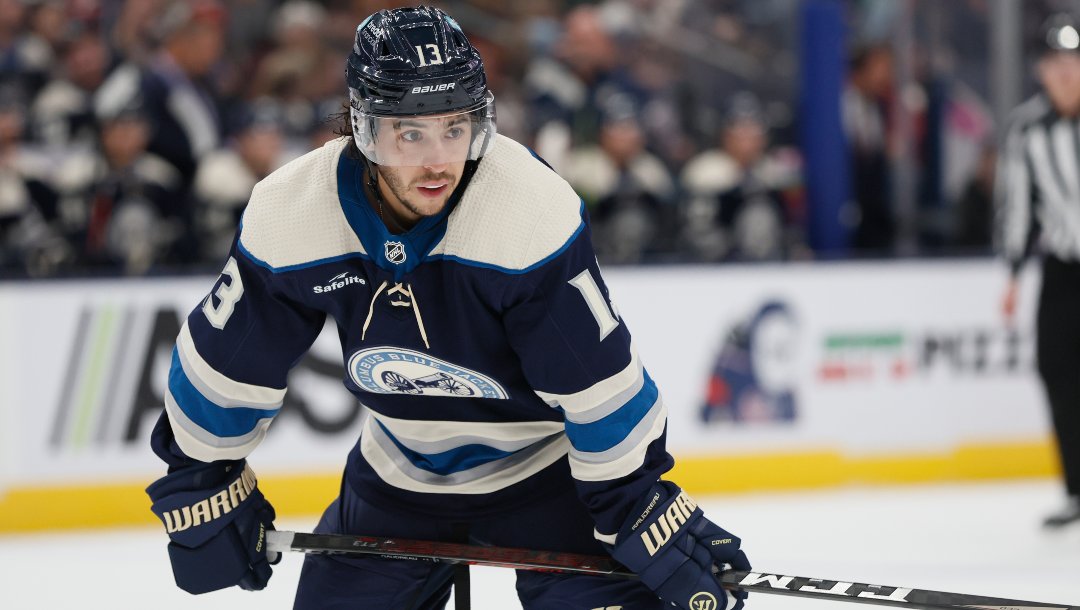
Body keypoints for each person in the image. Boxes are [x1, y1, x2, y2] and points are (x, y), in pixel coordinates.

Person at [144, 6, 751, 610]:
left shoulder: (528, 210)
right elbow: (225, 366)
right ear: (362, 126)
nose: (438, 160)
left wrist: (635, 500)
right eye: (410, 133)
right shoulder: (291, 212)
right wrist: (202, 475)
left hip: (548, 478)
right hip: (399, 479)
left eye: (455, 128)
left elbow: (597, 384)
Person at [996, 12, 1080, 529]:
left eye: (1074, 60)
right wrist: (1011, 274)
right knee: (1059, 373)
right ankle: (1076, 489)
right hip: (1063, 268)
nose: (1066, 71)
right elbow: (1018, 206)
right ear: (1041, 70)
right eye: (1056, 62)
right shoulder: (1027, 127)